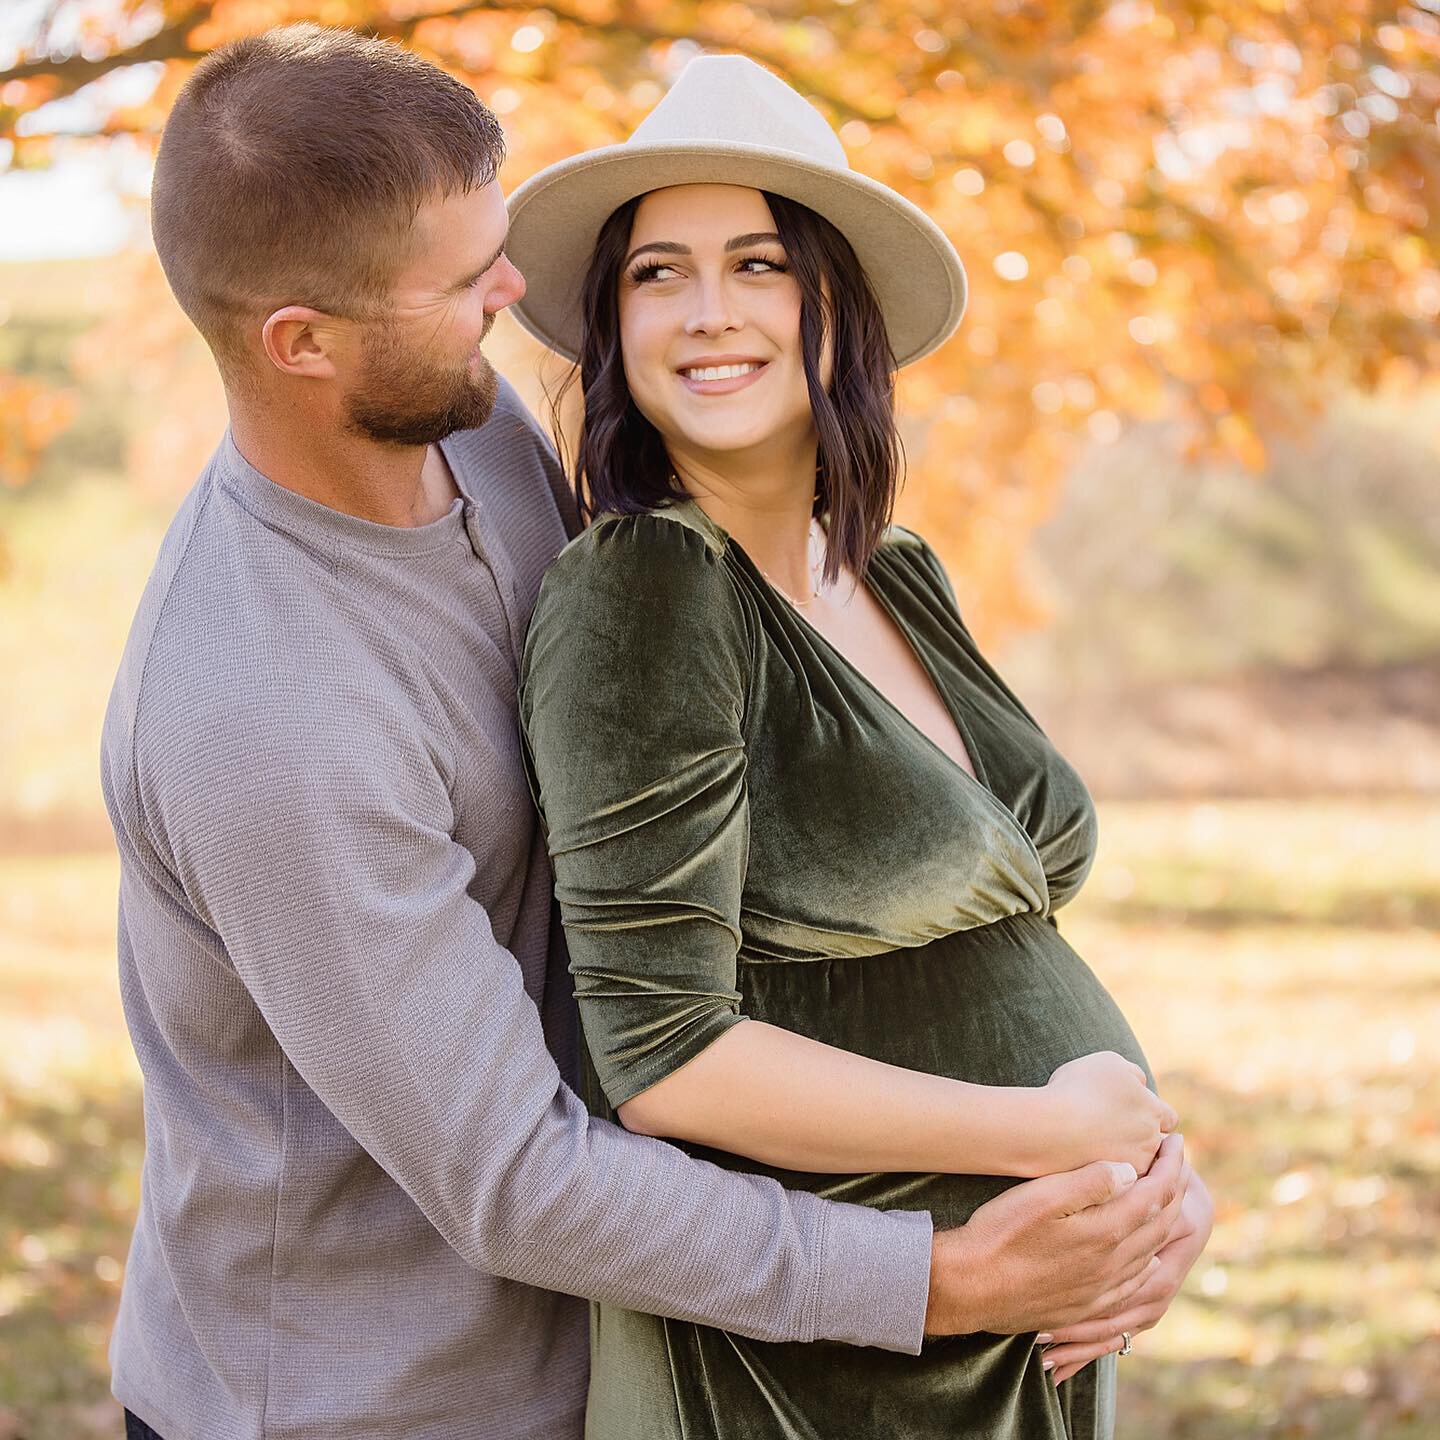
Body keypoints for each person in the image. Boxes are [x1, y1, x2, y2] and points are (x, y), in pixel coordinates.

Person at [101, 24, 1195, 1440]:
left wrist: (1136, 1179)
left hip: (627, 1342)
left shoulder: (468, 428)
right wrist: (945, 1278)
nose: (515, 291)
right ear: (301, 344)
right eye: (464, 282)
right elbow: (518, 1180)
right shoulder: (267, 720)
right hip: (375, 1403)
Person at [508, 54, 1213, 1439]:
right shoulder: (644, 587)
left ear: (838, 301)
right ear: (613, 323)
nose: (707, 313)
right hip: (829, 1366)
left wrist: (1154, 1174)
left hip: (1022, 1339)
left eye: (758, 263)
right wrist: (1048, 1139)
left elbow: (1009, 964)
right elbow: (664, 1059)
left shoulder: (898, 573)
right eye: (658, 273)